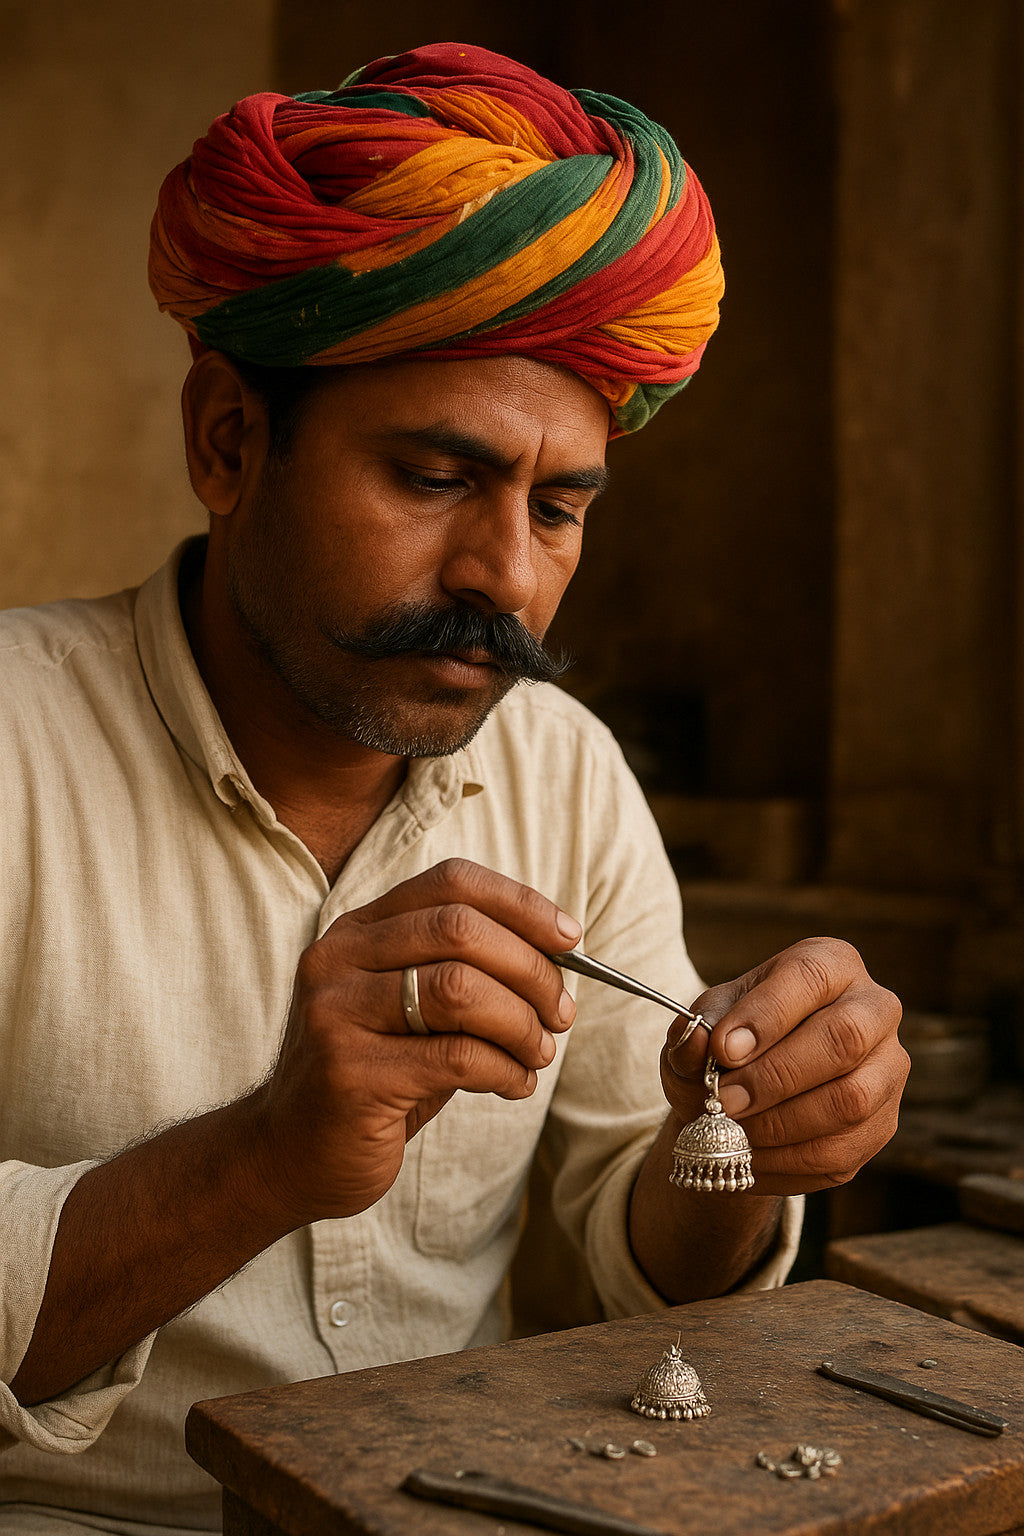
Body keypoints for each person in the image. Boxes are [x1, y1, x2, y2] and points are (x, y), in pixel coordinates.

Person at [0, 42, 907, 1535]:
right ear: (229, 442)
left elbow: (632, 1253)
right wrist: (266, 1155)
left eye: (559, 508)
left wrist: (747, 1137)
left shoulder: (563, 771)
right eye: (433, 478)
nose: (505, 576)